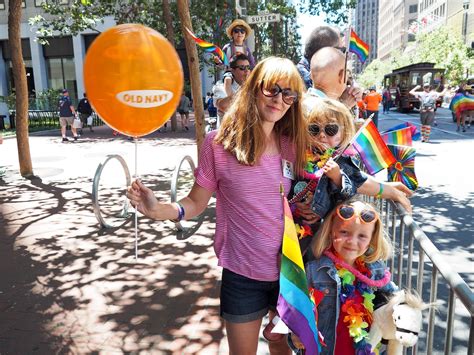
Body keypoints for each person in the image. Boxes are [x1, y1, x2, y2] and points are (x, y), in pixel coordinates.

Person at [127, 57, 307, 354]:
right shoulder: (218, 143)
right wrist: (160, 210)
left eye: (288, 94)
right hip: (242, 274)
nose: (279, 99)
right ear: (253, 88)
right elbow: (196, 201)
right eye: (271, 89)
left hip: (288, 273)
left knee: (282, 350)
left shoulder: (292, 144)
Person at [289, 199, 397, 354]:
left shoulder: (376, 270)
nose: (352, 241)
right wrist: (295, 336)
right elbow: (294, 313)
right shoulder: (315, 271)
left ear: (372, 239)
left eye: (362, 236)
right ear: (332, 231)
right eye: (344, 232)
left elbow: (395, 299)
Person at [289, 98, 367, 253]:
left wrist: (338, 177)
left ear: (343, 133)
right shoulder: (299, 156)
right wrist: (296, 204)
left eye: (330, 129)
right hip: (295, 224)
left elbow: (349, 194)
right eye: (314, 129)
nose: (322, 135)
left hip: (326, 229)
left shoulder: (344, 160)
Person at [213, 53, 251, 124]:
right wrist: (245, 89)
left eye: (248, 67)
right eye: (242, 67)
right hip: (227, 133)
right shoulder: (221, 85)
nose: (246, 71)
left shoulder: (252, 87)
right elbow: (223, 106)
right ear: (232, 70)